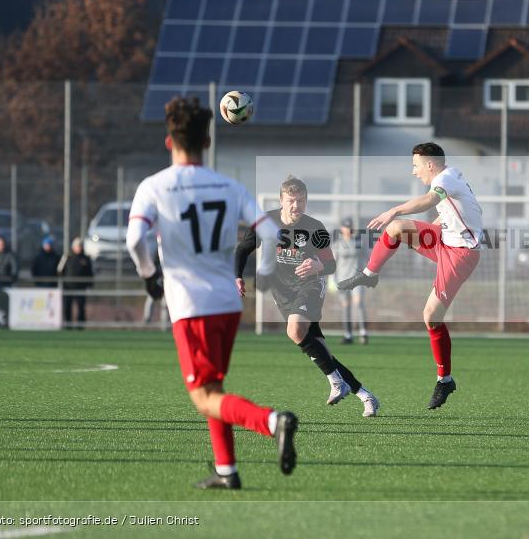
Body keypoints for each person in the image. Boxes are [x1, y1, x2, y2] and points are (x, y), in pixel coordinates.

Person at [126, 96, 298, 490]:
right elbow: (271, 233)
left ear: (169, 142)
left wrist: (149, 276)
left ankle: (273, 422)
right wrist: (264, 273)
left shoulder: (154, 186)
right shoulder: (230, 186)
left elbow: (135, 239)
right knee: (214, 388)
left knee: (203, 395)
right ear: (206, 142)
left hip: (190, 305)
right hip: (226, 302)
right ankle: (226, 470)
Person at [338, 142, 482, 409]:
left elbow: (429, 201)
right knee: (395, 229)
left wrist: (394, 209)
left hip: (460, 255)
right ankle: (369, 274)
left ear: (430, 165)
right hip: (445, 241)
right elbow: (446, 215)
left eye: (416, 165)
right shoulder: (449, 175)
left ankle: (445, 380)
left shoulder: (444, 179)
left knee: (431, 316)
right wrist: (418, 228)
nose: (414, 171)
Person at [235, 177, 380, 418]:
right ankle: (365, 395)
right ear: (281, 201)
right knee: (322, 352)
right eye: (291, 201)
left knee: (294, 330)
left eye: (301, 201)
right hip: (283, 292)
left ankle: (336, 382)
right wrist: (237, 276)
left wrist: (317, 266)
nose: (296, 206)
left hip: (310, 285)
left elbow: (331, 265)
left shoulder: (315, 227)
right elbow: (242, 249)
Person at [332, 217, 369, 345]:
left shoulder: (359, 242)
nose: (348, 230)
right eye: (346, 227)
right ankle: (348, 335)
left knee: (358, 303)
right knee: (345, 306)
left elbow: (367, 259)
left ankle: (363, 333)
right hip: (343, 279)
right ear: (342, 228)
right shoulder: (337, 245)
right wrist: (333, 279)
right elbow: (333, 264)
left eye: (350, 227)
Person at [57, 237, 94, 327]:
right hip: (68, 287)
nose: (79, 248)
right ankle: (68, 325)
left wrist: (90, 284)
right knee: (67, 306)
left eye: (80, 246)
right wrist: (62, 283)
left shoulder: (86, 258)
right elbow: (59, 271)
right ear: (73, 247)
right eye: (77, 246)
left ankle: (80, 326)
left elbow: (90, 273)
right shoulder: (67, 257)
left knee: (81, 307)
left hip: (81, 287)